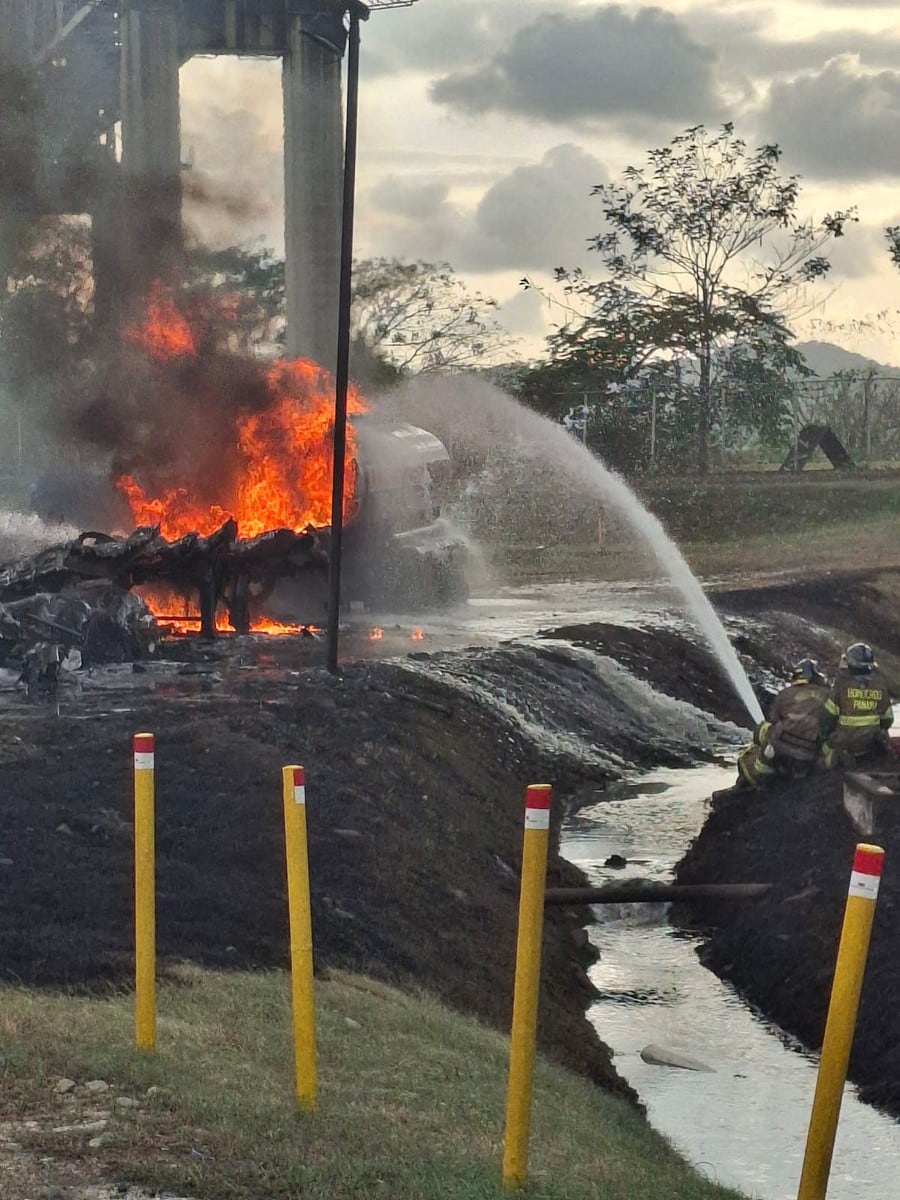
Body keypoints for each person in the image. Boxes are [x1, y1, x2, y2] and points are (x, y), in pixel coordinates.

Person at [733, 658, 831, 790]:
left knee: (763, 729)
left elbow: (773, 720)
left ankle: (761, 774)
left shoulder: (784, 694)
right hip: (810, 756)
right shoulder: (828, 695)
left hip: (780, 751)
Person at [820, 642, 894, 768]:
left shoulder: (841, 686)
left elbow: (827, 720)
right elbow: (888, 720)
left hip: (845, 746)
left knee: (822, 754)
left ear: (850, 663)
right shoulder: (880, 687)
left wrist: (826, 737)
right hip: (871, 746)